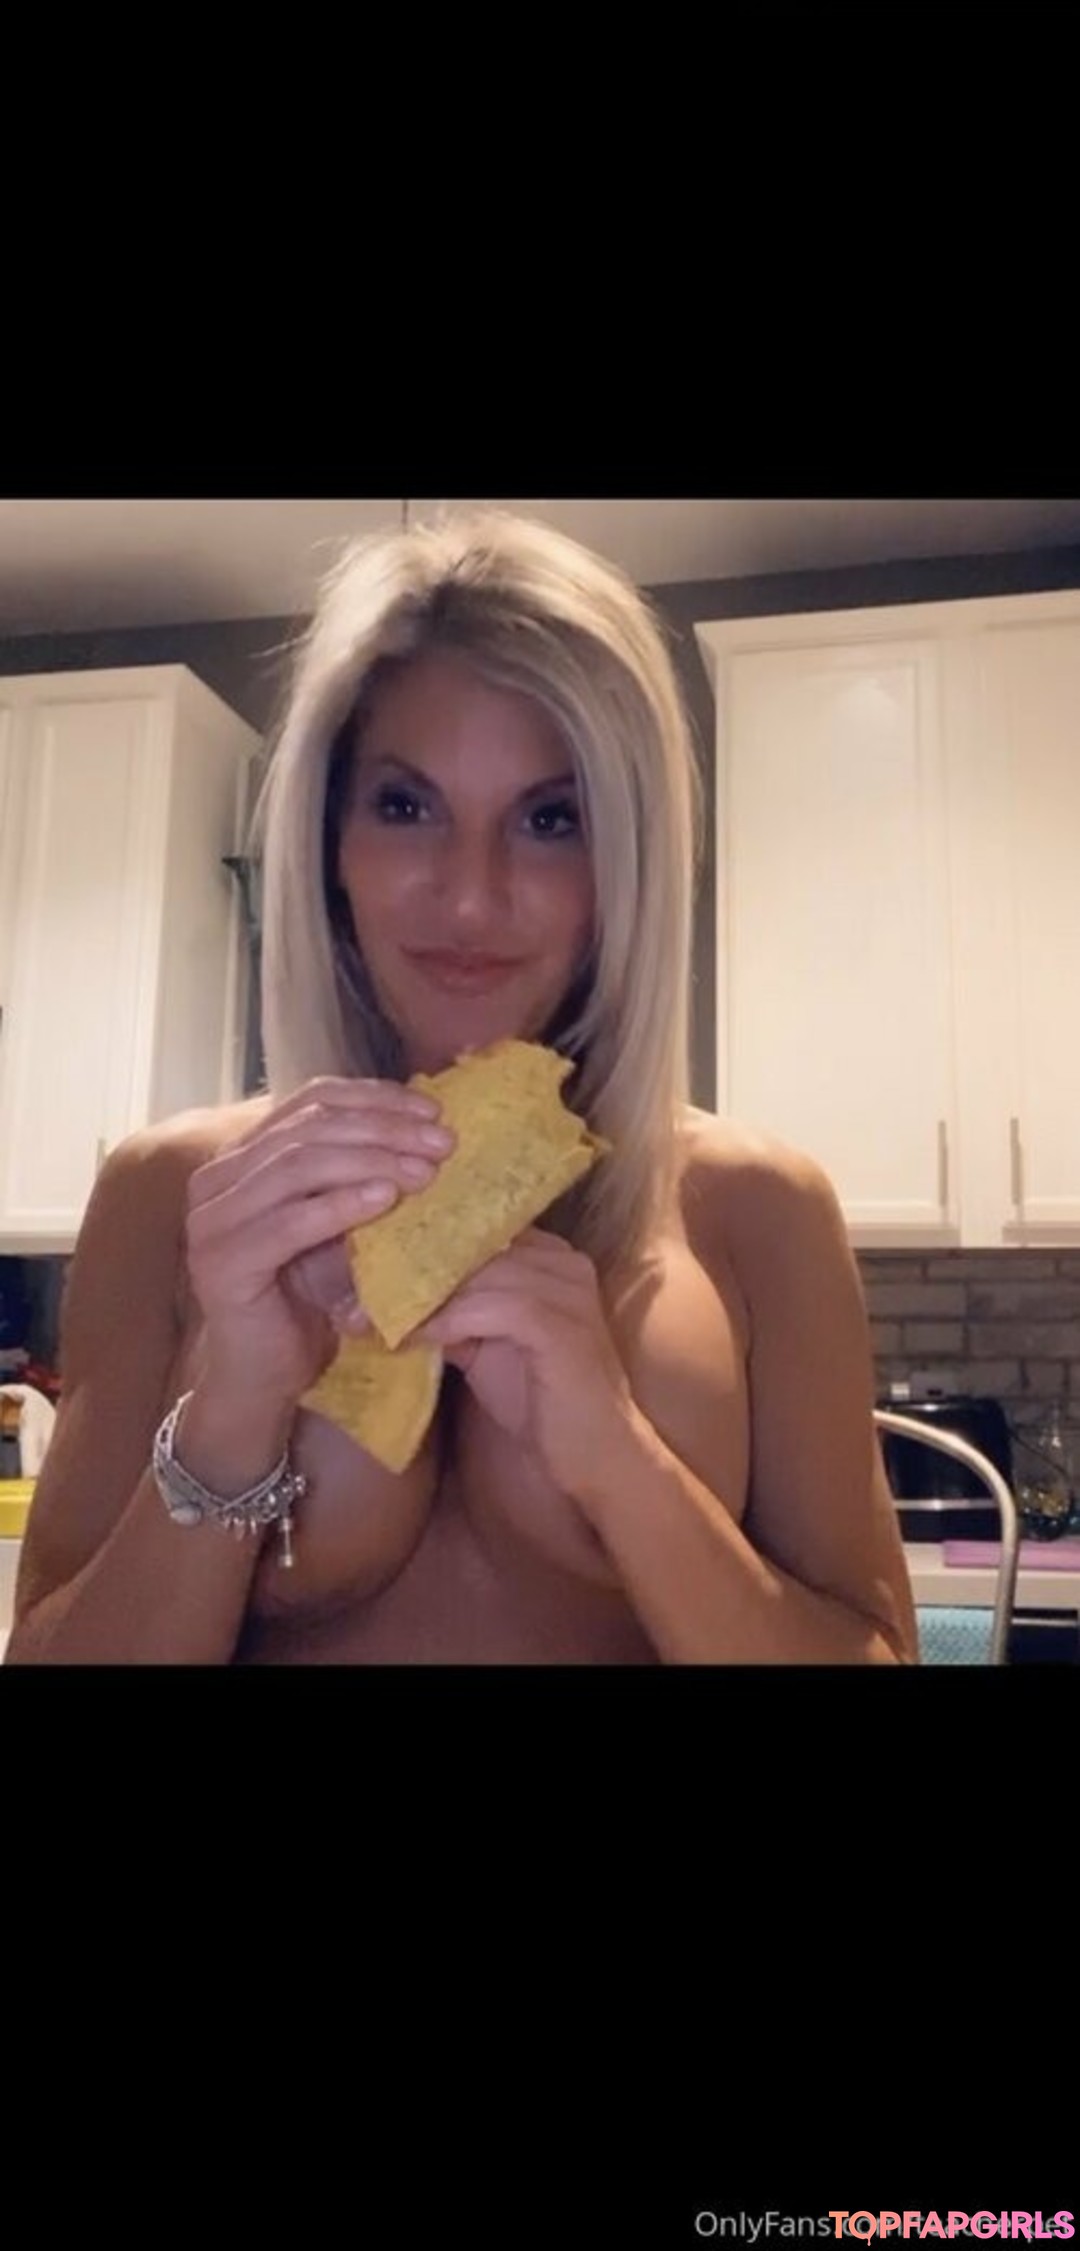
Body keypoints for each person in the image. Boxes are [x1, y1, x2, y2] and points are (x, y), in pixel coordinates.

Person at [4, 510, 919, 1665]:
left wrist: (618, 1457)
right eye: (405, 806)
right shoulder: (175, 1194)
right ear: (329, 845)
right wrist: (233, 1408)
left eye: (550, 818)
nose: (472, 898)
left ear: (625, 862)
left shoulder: (757, 1206)